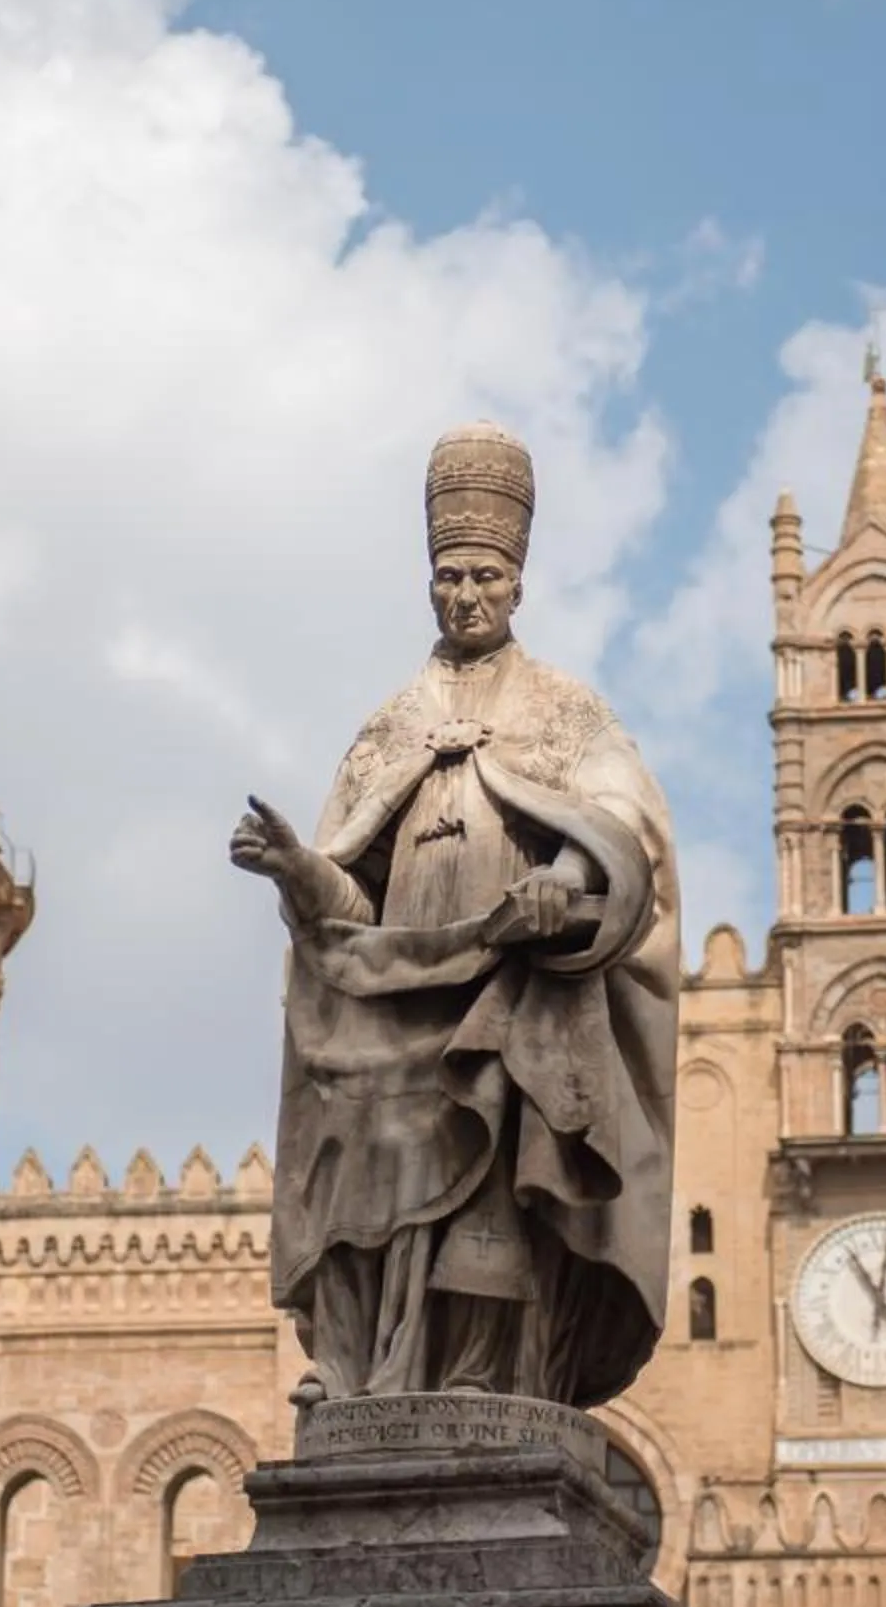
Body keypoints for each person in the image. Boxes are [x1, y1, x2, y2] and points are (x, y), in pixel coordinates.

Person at [230, 422, 677, 1408]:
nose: (465, 594)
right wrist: (300, 868)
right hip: (400, 1005)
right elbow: (351, 907)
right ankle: (365, 1373)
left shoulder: (566, 712)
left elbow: (626, 828)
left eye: (482, 576)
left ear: (517, 583)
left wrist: (563, 875)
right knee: (374, 1181)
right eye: (448, 577)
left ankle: (478, 1382)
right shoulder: (390, 723)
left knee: (489, 1186)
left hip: (509, 997)